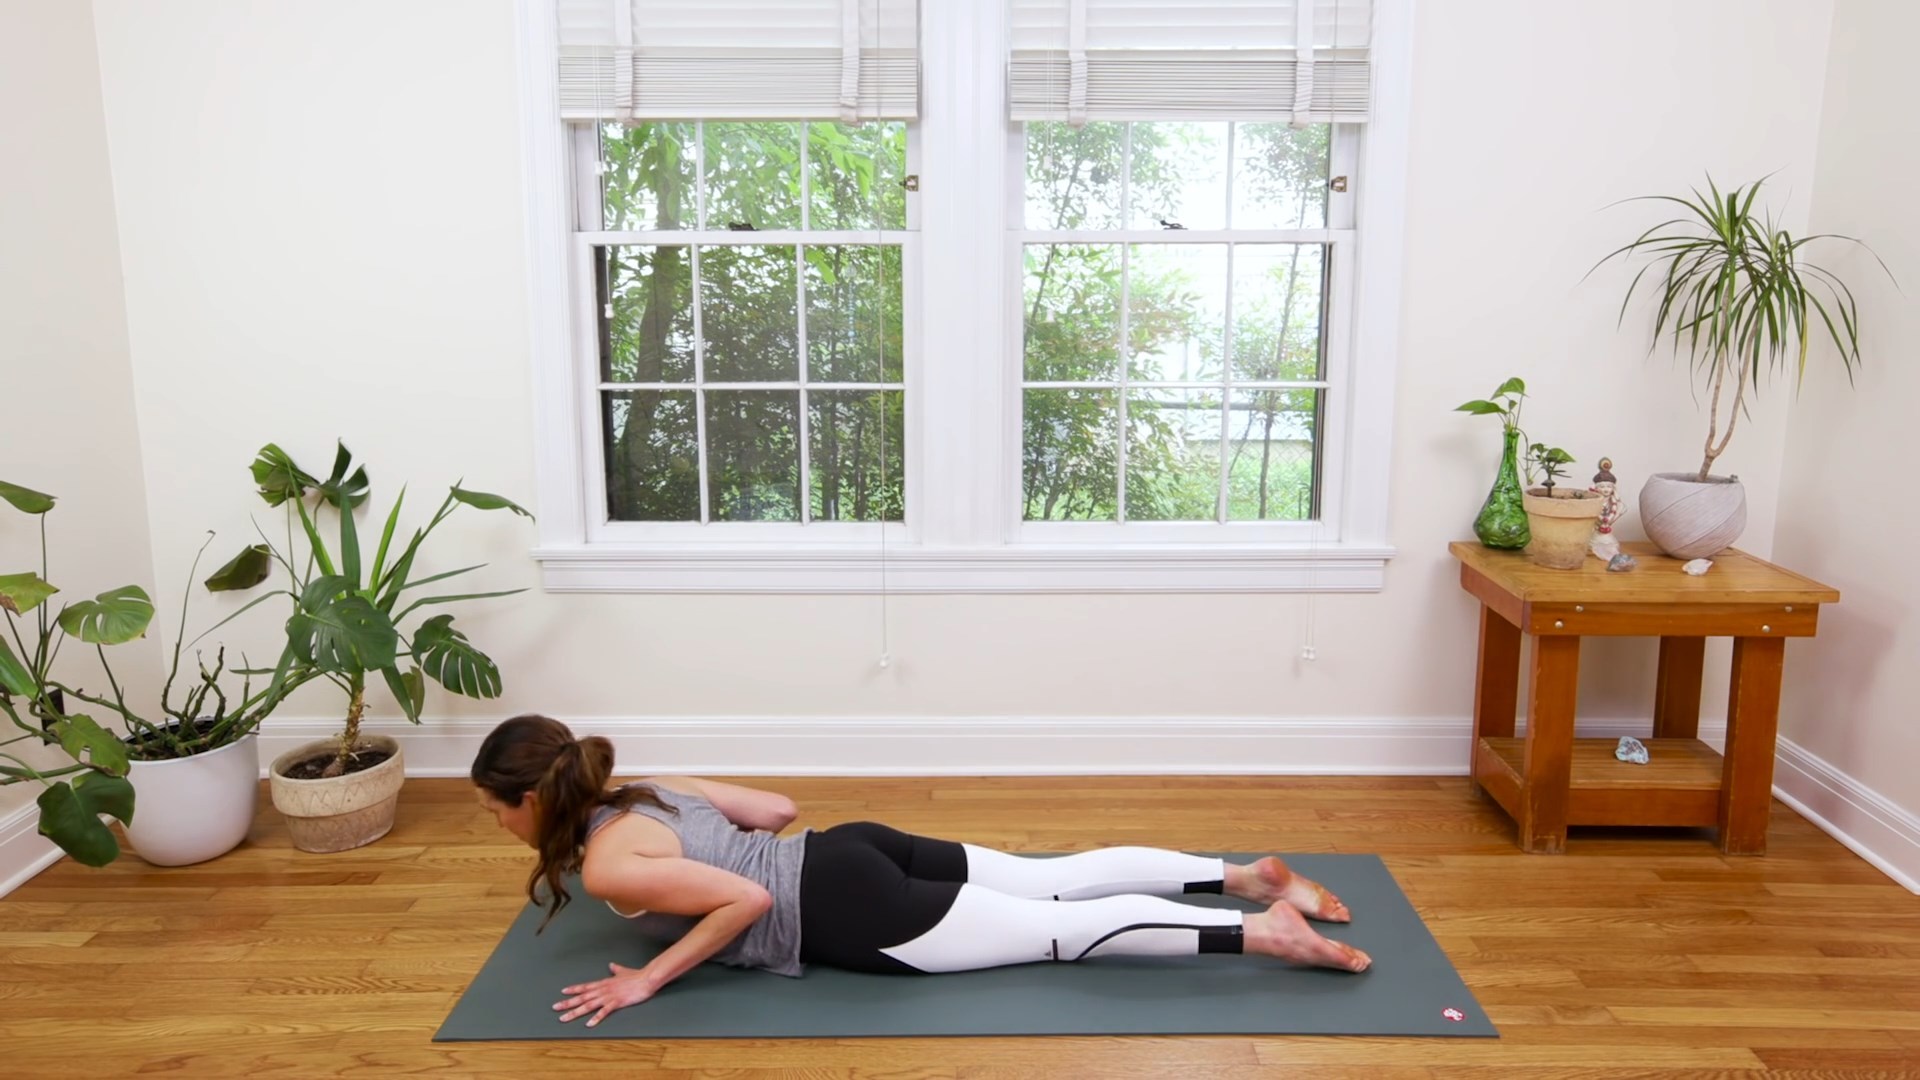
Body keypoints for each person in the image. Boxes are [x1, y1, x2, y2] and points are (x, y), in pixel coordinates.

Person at [471, 714, 1371, 1028]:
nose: (498, 825)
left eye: (495, 810)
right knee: (1050, 877)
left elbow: (744, 899)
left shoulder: (610, 866)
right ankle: (1243, 877)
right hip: (849, 848)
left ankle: (1262, 931)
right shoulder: (653, 789)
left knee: (1059, 932)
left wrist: (647, 981)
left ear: (534, 800)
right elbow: (777, 812)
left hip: (849, 908)